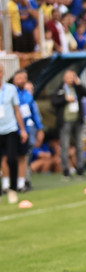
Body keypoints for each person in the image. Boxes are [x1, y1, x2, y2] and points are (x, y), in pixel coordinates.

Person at [3, 70, 43, 191]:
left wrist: (40, 129)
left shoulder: (28, 95)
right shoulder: (10, 92)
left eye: (23, 78)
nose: (21, 80)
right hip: (11, 130)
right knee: (8, 157)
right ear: (14, 80)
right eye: (18, 78)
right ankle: (7, 184)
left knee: (23, 156)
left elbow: (33, 113)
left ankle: (23, 183)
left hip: (24, 130)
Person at [52, 69, 86, 179]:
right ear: (64, 78)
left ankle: (80, 170)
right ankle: (66, 171)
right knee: (64, 146)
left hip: (77, 121)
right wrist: (65, 99)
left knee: (79, 145)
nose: (70, 79)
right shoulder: (60, 88)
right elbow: (54, 101)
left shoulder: (77, 88)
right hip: (65, 121)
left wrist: (79, 84)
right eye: (68, 77)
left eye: (72, 77)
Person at [0, 65, 28, 204]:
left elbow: (17, 110)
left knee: (12, 159)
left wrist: (22, 129)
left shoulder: (10, 89)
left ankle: (13, 189)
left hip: (10, 129)